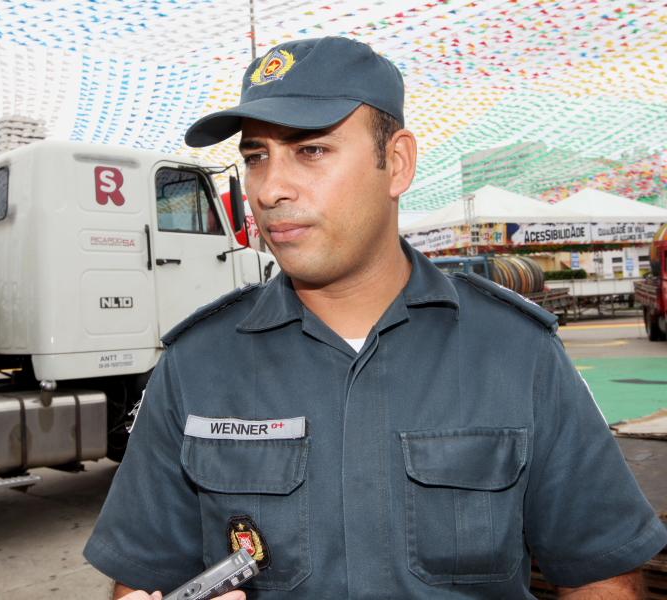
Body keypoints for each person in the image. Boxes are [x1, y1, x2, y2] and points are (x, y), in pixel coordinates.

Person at [84, 36, 667, 599]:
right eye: (256, 158)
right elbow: (145, 575)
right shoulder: (197, 365)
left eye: (310, 150)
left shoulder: (516, 350)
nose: (269, 189)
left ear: (398, 163)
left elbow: (601, 574)